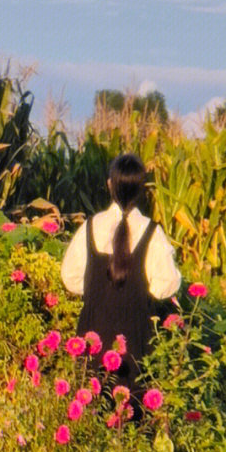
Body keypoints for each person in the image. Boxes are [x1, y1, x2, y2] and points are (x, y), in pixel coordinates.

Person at [60, 152, 180, 391]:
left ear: (109, 185)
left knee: (91, 408)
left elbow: (70, 278)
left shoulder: (90, 226)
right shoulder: (152, 233)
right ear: (141, 190)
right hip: (136, 341)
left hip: (93, 336)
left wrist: (98, 289)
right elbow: (166, 285)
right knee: (135, 414)